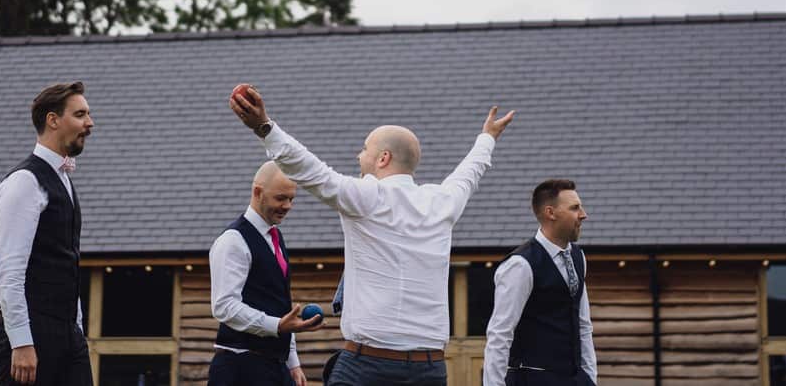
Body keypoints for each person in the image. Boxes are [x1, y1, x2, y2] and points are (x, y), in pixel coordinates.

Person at [229, 84, 515, 386]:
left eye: (365, 149)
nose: (358, 155)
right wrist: (487, 138)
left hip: (369, 366)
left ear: (383, 158)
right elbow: (469, 173)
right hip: (428, 369)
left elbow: (308, 169)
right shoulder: (442, 201)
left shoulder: (367, 196)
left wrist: (264, 127)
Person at [0, 82, 95, 386]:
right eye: (80, 114)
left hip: (68, 336)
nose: (90, 123)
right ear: (53, 120)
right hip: (31, 336)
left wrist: (76, 328)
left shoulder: (63, 179)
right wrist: (21, 342)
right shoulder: (24, 181)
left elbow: (66, 264)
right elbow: (9, 272)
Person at [208, 160, 324, 386]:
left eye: (291, 199)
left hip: (275, 367)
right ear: (257, 192)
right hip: (239, 369)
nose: (287, 206)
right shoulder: (233, 241)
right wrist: (277, 325)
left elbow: (279, 304)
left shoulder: (276, 238)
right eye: (281, 198)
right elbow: (224, 306)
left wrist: (292, 362)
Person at [483, 179, 595, 386]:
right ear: (550, 213)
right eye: (574, 208)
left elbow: (583, 324)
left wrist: (590, 377)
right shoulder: (520, 265)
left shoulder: (579, 257)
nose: (583, 214)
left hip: (576, 379)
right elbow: (500, 334)